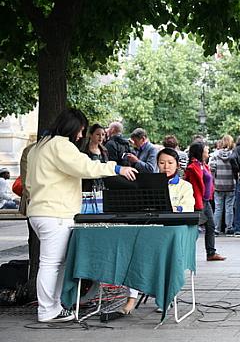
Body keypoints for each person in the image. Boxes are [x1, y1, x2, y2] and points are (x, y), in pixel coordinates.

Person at [25, 109, 137, 323]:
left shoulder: (38, 147)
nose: (80, 136)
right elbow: (85, 167)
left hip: (38, 212)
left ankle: (54, 307)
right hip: (56, 212)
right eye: (81, 131)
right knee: (51, 264)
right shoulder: (60, 145)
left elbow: (29, 184)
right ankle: (48, 310)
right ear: (72, 127)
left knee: (52, 263)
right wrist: (116, 168)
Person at [116, 147, 194, 317]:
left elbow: (188, 207)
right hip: (150, 228)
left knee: (167, 254)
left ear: (177, 165)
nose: (166, 166)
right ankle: (131, 298)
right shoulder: (147, 183)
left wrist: (174, 208)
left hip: (171, 231)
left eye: (170, 163)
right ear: (157, 164)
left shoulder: (185, 186)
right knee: (133, 251)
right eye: (162, 162)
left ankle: (166, 295)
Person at [184, 141, 225, 261]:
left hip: (206, 201)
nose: (208, 152)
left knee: (211, 226)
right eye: (206, 150)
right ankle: (185, 251)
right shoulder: (193, 167)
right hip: (198, 202)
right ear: (200, 152)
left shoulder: (203, 165)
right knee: (193, 229)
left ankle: (211, 252)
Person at [210, 134, 238, 235]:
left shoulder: (215, 154)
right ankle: (229, 228)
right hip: (230, 184)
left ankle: (216, 229)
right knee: (229, 208)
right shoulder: (233, 155)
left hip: (218, 184)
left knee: (218, 208)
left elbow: (212, 168)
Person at [81, 123, 109, 193]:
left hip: (103, 185)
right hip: (88, 186)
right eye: (97, 134)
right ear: (90, 135)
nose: (101, 137)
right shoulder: (84, 151)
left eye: (103, 134)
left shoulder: (104, 150)